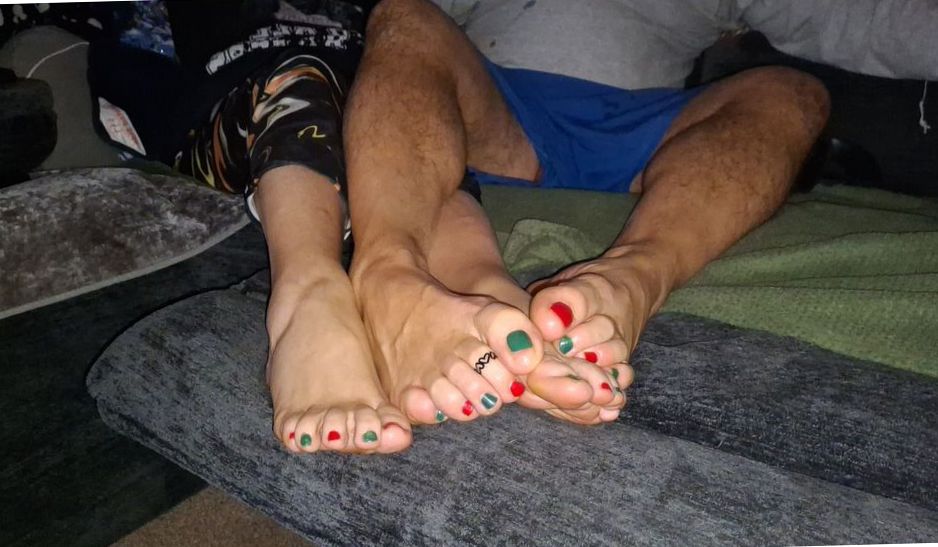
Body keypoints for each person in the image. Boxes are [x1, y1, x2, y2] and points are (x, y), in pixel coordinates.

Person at [329, 0, 829, 452]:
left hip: (650, 133)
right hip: (503, 113)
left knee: (796, 93)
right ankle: (387, 279)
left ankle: (633, 279)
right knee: (405, 16)